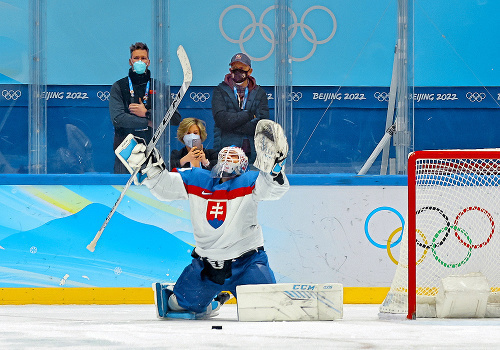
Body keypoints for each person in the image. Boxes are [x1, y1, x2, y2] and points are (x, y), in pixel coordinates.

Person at [115, 120, 289, 319]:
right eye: (226, 156)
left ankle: (221, 295)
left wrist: (275, 169)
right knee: (176, 306)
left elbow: (274, 188)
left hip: (247, 265)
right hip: (207, 267)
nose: (228, 161)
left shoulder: (250, 181)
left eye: (235, 158)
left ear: (243, 165)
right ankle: (214, 300)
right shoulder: (198, 177)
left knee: (269, 309)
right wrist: (150, 171)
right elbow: (165, 187)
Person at [109, 42, 181, 173]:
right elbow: (118, 119)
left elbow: (175, 118)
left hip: (154, 151)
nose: (140, 61)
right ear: (130, 61)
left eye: (143, 58)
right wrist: (148, 122)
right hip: (125, 153)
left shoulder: (159, 87)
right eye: (136, 58)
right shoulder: (119, 86)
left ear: (148, 62)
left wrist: (147, 113)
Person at [212, 52, 269, 165]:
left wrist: (232, 125)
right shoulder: (220, 91)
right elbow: (221, 119)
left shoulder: (259, 93)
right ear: (230, 70)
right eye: (235, 68)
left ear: (250, 71)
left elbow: (262, 123)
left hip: (252, 152)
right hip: (227, 151)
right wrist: (247, 115)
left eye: (242, 68)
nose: (238, 71)